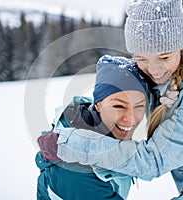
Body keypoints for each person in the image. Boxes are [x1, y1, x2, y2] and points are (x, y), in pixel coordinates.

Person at [45, 0, 183, 199]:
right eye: (141, 58)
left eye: (164, 57)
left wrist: (67, 144)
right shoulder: (163, 73)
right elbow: (113, 94)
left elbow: (152, 160)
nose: (154, 70)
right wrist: (74, 120)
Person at [36, 55, 148, 200]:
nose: (131, 118)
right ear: (98, 104)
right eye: (119, 106)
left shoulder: (105, 133)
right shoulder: (76, 173)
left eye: (139, 106)